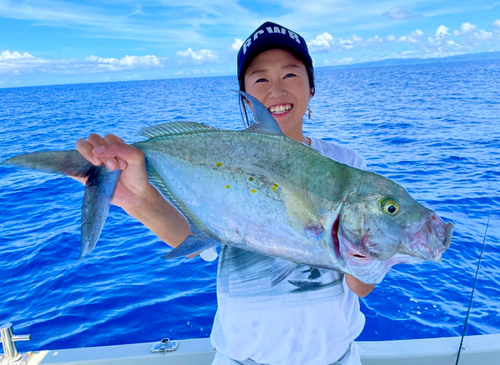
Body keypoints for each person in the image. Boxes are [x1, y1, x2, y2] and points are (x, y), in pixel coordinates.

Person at [74, 21, 374, 365]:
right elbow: (194, 242)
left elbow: (359, 286)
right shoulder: (220, 157)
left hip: (334, 357)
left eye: (290, 75)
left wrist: (373, 255)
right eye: (260, 79)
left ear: (312, 86)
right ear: (246, 96)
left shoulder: (346, 163)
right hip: (242, 358)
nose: (276, 90)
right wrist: (135, 199)